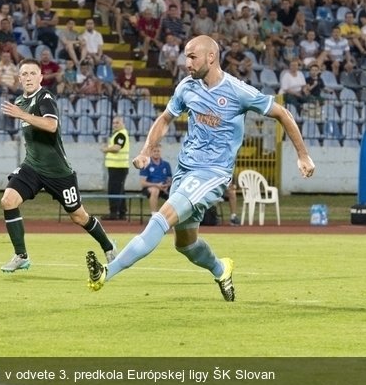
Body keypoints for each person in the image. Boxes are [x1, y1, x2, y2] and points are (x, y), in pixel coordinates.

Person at [86, 35, 316, 301]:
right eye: (185, 56)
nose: (187, 62)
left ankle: (105, 272)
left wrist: (303, 155)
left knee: (161, 219)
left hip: (212, 174)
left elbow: (281, 113)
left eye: (192, 56)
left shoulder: (237, 90)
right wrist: (147, 150)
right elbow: (165, 118)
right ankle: (221, 269)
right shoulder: (187, 87)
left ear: (211, 57)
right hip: (185, 171)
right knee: (185, 244)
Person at [0, 59, 117, 273]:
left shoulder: (45, 97)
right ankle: (21, 255)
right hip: (32, 167)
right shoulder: (19, 101)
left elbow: (51, 126)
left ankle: (108, 246)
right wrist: (22, 113)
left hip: (58, 172)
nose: (28, 77)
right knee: (8, 200)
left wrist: (22, 115)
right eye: (24, 74)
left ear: (40, 77)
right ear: (19, 78)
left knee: (78, 216)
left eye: (32, 73)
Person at [102, 117, 130, 220]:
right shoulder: (118, 134)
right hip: (118, 167)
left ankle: (114, 213)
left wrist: (106, 149)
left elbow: (116, 148)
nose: (115, 125)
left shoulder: (121, 134)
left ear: (123, 123)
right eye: (113, 123)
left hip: (118, 167)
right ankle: (122, 212)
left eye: (117, 122)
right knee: (120, 190)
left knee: (114, 190)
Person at [139, 144, 171, 214]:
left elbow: (169, 179)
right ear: (151, 153)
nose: (156, 153)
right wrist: (157, 185)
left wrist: (167, 185)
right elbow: (143, 183)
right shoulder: (146, 165)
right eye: (154, 151)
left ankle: (170, 217)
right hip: (150, 188)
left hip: (163, 187)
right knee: (155, 190)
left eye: (158, 151)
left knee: (174, 192)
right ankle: (154, 214)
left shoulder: (166, 164)